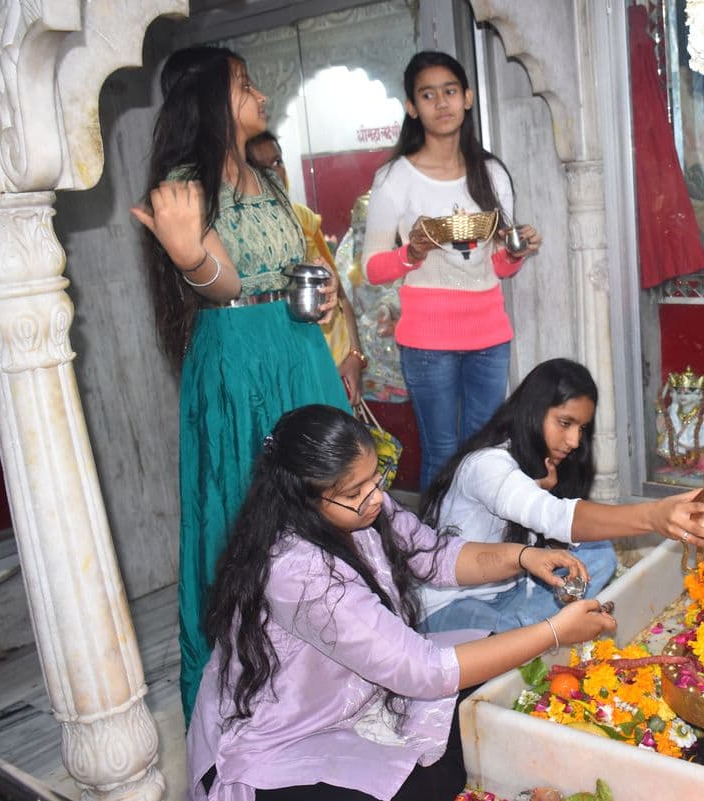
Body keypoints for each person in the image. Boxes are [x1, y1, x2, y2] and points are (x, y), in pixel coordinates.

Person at [185, 404, 614, 801]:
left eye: (377, 478)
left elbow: (433, 555)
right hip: (283, 735)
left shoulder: (362, 505)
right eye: (356, 491)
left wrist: (522, 557)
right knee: (424, 780)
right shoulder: (297, 571)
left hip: (360, 694)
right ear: (303, 499)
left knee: (493, 688)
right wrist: (553, 632)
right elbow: (423, 670)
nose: (375, 497)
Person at [130, 46, 350, 721]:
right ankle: (257, 689)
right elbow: (221, 283)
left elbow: (294, 263)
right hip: (239, 364)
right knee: (247, 514)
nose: (259, 95)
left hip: (299, 351)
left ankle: (341, 658)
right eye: (245, 85)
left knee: (331, 504)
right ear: (209, 100)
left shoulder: (266, 177)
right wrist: (191, 254)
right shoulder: (183, 184)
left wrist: (327, 286)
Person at [417, 358, 704, 634]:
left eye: (582, 428)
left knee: (598, 553)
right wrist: (653, 516)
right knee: (501, 627)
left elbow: (553, 541)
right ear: (533, 412)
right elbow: (554, 517)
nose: (575, 440)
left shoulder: (545, 466)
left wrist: (544, 491)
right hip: (454, 605)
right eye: (565, 423)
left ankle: (537, 630)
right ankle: (536, 633)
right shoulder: (488, 465)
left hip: (512, 593)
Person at [361, 51, 541, 490]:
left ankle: (483, 549)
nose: (441, 103)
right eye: (428, 95)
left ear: (467, 98)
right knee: (442, 452)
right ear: (412, 107)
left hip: (489, 336)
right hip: (427, 340)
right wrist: (412, 252)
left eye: (449, 92)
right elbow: (372, 269)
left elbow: (496, 267)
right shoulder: (394, 177)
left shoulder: (492, 172)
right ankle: (438, 553)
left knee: (485, 452)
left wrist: (516, 253)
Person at [247, 131, 368, 405]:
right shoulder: (243, 237)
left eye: (277, 161)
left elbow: (340, 295)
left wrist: (355, 357)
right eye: (262, 167)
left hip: (334, 360)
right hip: (288, 371)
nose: (274, 173)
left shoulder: (303, 218)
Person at [655, 367, 704, 471]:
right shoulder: (673, 410)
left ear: (698, 395)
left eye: (687, 393)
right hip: (677, 454)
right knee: (662, 439)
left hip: (700, 450)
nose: (682, 396)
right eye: (680, 393)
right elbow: (661, 429)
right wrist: (660, 411)